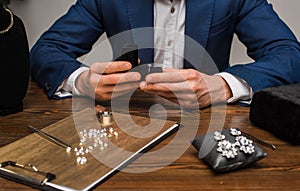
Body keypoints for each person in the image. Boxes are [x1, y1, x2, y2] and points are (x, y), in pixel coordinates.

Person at [30, 0, 300, 109]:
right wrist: (82, 81)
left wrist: (222, 86)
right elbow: (46, 50)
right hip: (128, 119)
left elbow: (290, 54)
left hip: (212, 125)